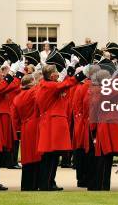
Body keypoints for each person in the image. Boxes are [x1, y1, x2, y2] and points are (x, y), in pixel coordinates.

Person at [35, 62, 82, 191]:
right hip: (53, 123)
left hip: (50, 122)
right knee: (51, 155)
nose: (57, 74)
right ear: (51, 76)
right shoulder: (50, 86)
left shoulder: (46, 85)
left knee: (51, 156)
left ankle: (49, 181)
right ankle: (47, 183)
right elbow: (68, 83)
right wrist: (82, 74)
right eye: (56, 72)